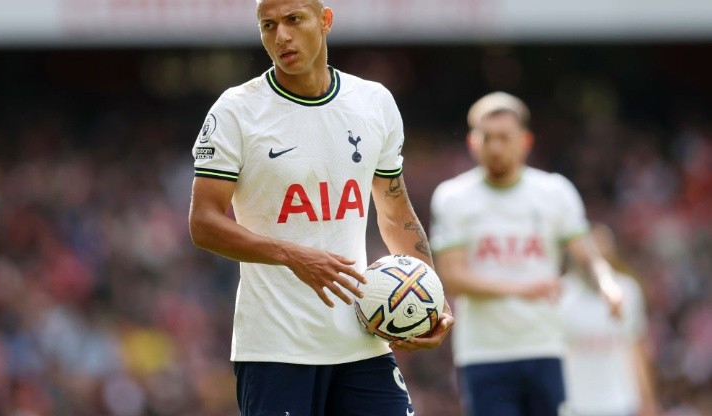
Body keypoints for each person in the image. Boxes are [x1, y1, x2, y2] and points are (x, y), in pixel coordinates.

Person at [188, 0, 454, 414]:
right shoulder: (236, 111)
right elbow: (203, 223)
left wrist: (431, 298)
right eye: (268, 25)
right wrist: (292, 255)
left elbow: (394, 211)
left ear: (325, 21)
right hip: (276, 350)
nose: (281, 36)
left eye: (293, 20)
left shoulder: (374, 102)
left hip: (362, 340)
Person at [429, 91, 622, 416]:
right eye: (486, 137)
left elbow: (585, 253)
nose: (495, 147)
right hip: (484, 353)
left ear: (525, 141)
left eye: (504, 137)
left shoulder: (555, 192)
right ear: (472, 141)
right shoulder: (452, 197)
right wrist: (523, 289)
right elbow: (454, 277)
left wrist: (607, 282)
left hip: (545, 345)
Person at [560, 223, 659, 416]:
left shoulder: (628, 291)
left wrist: (648, 402)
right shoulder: (562, 295)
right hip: (576, 404)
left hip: (621, 402)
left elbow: (636, 348)